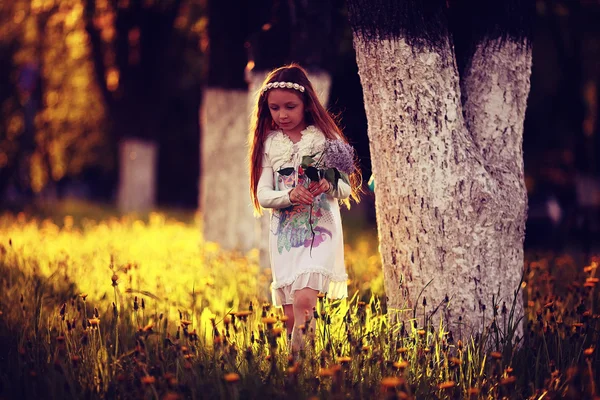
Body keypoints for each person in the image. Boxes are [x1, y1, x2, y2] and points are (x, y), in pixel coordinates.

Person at [248, 64, 361, 352]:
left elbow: (346, 188)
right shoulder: (270, 145)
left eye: (290, 106)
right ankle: (301, 372)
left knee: (304, 302)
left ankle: (295, 369)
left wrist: (328, 184)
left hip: (321, 231)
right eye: (274, 108)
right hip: (285, 237)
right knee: (289, 317)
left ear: (307, 105)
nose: (282, 115)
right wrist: (289, 194)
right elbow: (263, 195)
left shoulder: (327, 141)